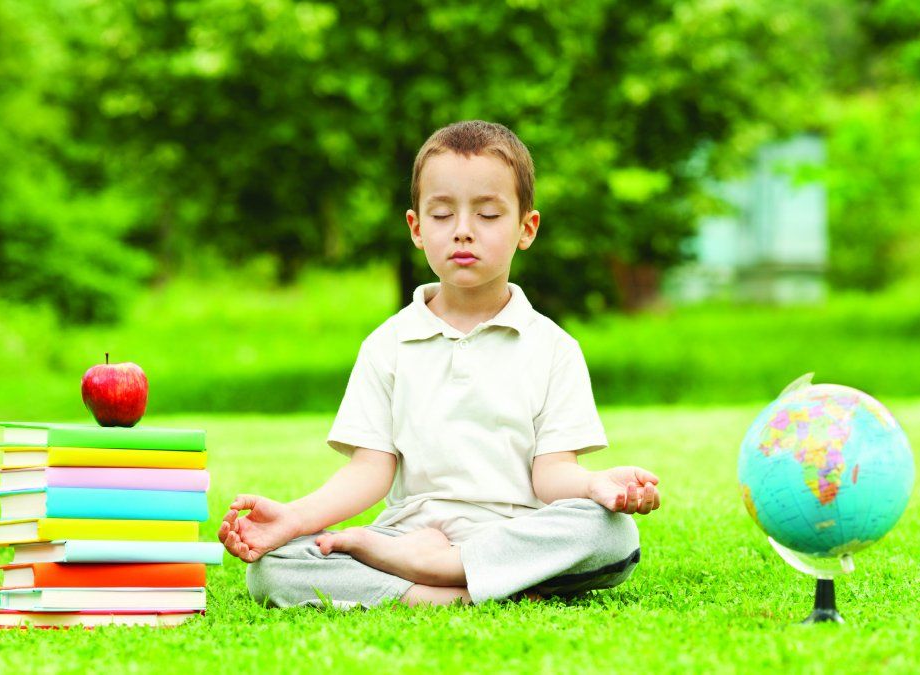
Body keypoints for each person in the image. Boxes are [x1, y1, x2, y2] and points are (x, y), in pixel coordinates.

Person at [218, 120, 661, 609]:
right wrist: (293, 518)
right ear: (416, 228)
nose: (464, 231)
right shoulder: (387, 345)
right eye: (443, 215)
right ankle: (453, 593)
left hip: (513, 538)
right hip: (408, 536)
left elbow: (552, 476)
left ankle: (439, 577)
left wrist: (596, 485)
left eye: (489, 215)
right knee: (272, 571)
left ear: (525, 228)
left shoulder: (553, 348)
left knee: (611, 534)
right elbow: (369, 472)